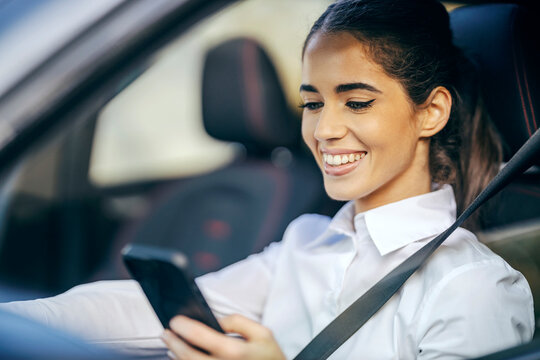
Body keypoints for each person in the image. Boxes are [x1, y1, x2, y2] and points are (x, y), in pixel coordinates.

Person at [0, 0, 534, 359]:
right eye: (312, 103)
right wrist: (18, 319)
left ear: (431, 112)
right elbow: (137, 309)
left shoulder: (473, 287)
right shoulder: (305, 242)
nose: (324, 130)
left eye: (357, 102)